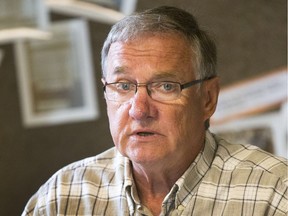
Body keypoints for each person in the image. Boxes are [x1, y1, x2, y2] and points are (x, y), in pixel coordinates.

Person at [22, 6, 287, 216]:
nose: (139, 110)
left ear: (207, 98)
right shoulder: (60, 198)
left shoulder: (275, 193)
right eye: (123, 86)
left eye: (166, 86)